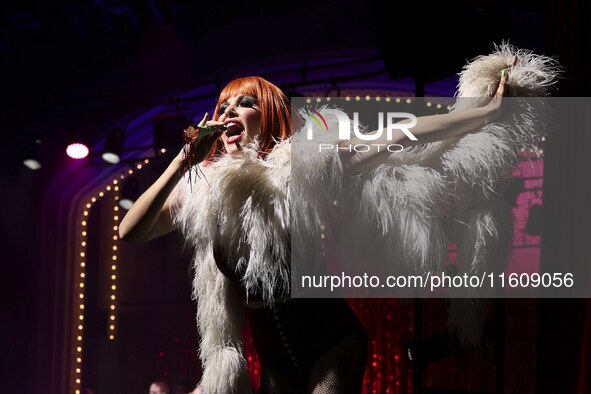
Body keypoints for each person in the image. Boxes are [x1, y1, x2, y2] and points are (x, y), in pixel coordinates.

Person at [120, 54, 519, 393]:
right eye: (223, 107)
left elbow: (399, 133)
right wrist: (181, 163)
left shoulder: (304, 166)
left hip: (332, 343)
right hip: (274, 365)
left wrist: (480, 113)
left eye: (243, 104)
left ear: (270, 115)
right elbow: (131, 232)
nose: (227, 114)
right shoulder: (203, 190)